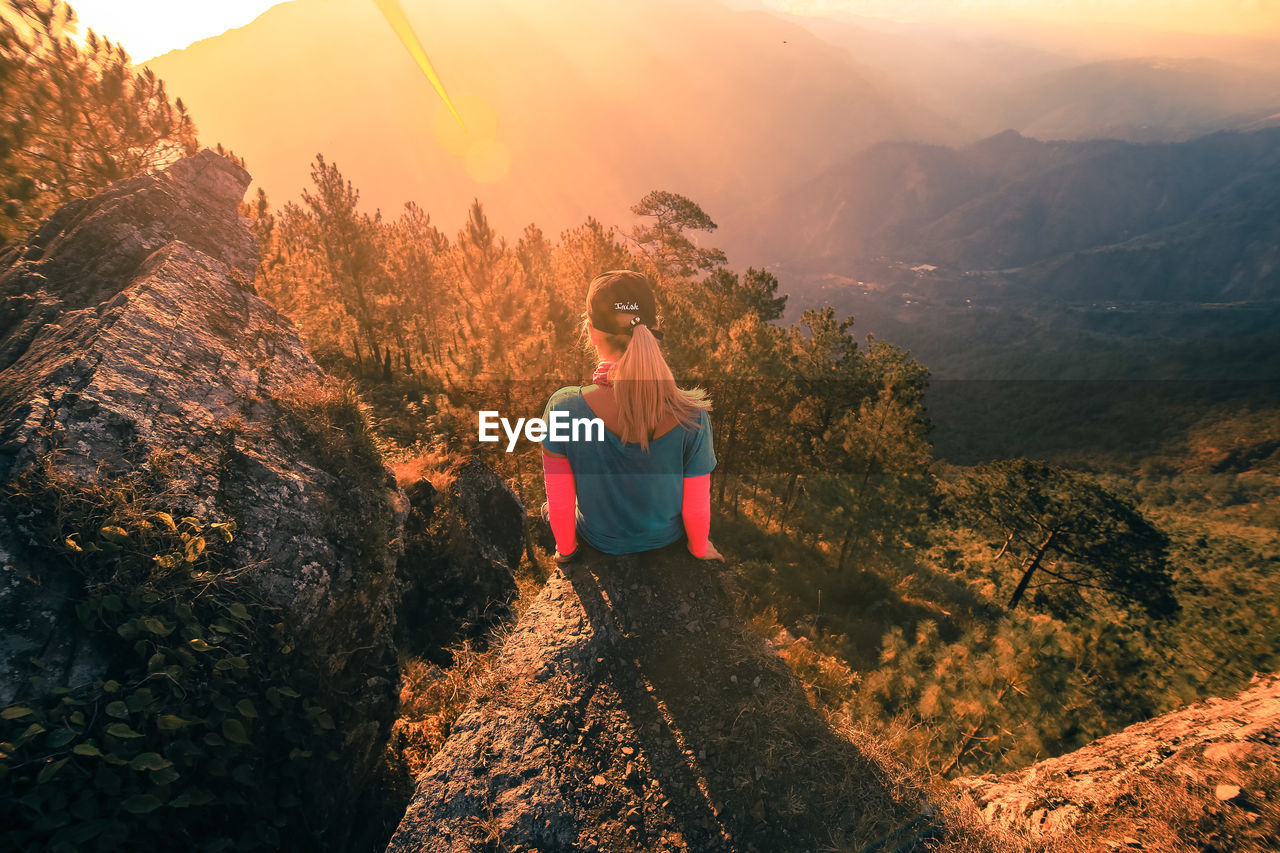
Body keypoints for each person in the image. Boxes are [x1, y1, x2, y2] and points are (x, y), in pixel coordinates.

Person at [541, 270, 723, 564]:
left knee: (545, 508)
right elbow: (696, 509)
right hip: (667, 541)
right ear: (656, 327)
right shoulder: (691, 414)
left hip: (598, 542)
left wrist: (566, 551)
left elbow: (560, 505)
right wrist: (700, 549)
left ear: (590, 331)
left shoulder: (564, 408)